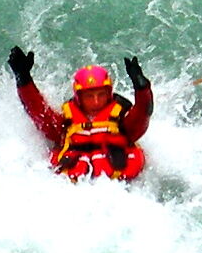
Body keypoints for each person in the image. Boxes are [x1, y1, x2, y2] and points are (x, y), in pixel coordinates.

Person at [10, 48, 152, 180]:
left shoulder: (121, 118)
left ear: (109, 93)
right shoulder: (68, 120)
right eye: (89, 96)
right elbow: (38, 111)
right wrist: (24, 79)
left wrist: (142, 88)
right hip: (76, 185)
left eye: (101, 95)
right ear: (79, 97)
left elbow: (143, 113)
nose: (96, 102)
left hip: (116, 183)